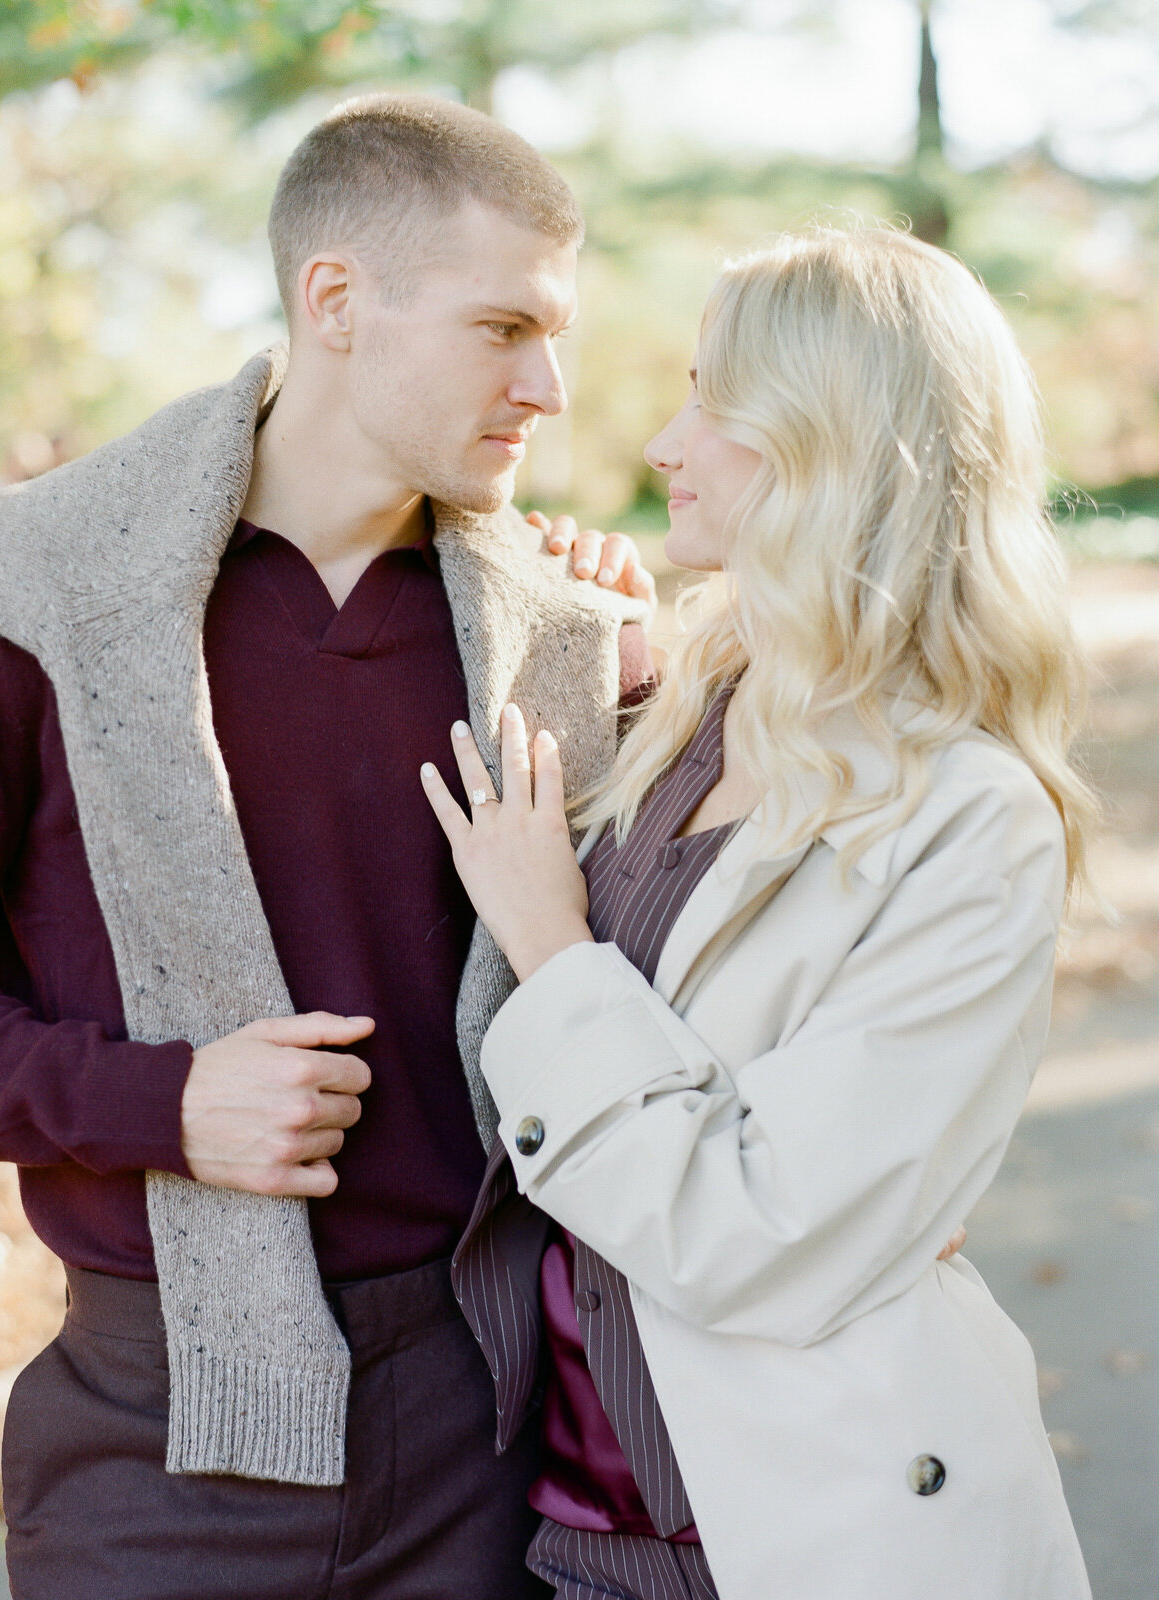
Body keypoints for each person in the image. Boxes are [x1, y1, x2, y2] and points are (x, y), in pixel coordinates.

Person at [0, 94, 657, 1599]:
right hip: (155, 1450)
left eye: (559, 336)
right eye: (500, 328)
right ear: (335, 301)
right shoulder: (34, 597)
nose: (548, 385)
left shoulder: (563, 639)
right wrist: (163, 1102)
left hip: (491, 1431)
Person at [422, 226, 1098, 1600]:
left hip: (802, 1541)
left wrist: (554, 948)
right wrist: (570, 627)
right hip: (560, 1530)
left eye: (712, 402)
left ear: (834, 442)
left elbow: (765, 1235)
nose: (666, 442)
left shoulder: (972, 819)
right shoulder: (678, 719)